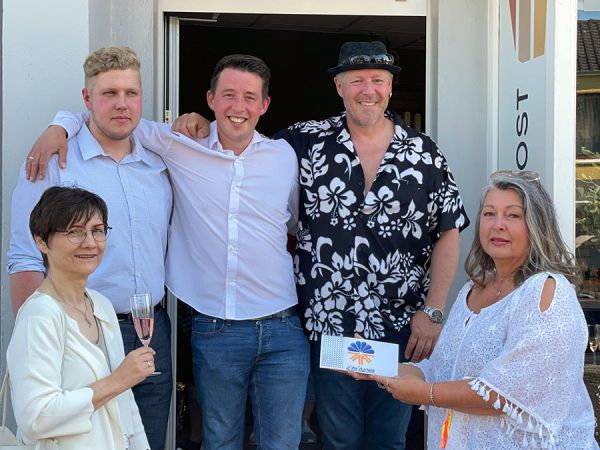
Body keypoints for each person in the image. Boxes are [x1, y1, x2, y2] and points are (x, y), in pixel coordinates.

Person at [97, 40, 469, 449]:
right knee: (335, 439)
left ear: (391, 87)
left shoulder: (420, 153)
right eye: (357, 80)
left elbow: (448, 229)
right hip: (329, 326)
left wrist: (433, 311)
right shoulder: (304, 143)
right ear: (339, 87)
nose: (368, 90)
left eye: (378, 80)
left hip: (396, 326)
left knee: (388, 439)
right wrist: (61, 127)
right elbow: (119, 118)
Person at [25, 54, 309, 450]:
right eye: (228, 95)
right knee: (218, 441)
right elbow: (112, 117)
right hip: (213, 327)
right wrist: (59, 125)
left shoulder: (283, 156)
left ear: (264, 105)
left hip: (282, 325)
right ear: (210, 99)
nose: (238, 106)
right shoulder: (178, 144)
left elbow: (294, 221)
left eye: (249, 97)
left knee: (282, 443)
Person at [352, 170, 598, 449]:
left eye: (513, 215)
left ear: (537, 225)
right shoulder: (472, 289)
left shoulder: (547, 290)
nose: (498, 225)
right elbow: (443, 369)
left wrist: (425, 393)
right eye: (489, 214)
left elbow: (509, 393)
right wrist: (377, 366)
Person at [8, 46, 173, 450]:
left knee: (143, 440)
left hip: (151, 330)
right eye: (109, 94)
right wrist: (47, 335)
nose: (122, 104)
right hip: (82, 332)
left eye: (131, 93)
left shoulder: (160, 163)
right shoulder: (53, 162)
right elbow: (25, 256)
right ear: (87, 99)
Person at [7, 186, 153, 450]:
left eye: (97, 230)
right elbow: (35, 417)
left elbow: (125, 403)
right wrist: (118, 380)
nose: (90, 243)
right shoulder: (39, 316)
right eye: (75, 232)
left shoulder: (101, 305)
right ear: (41, 241)